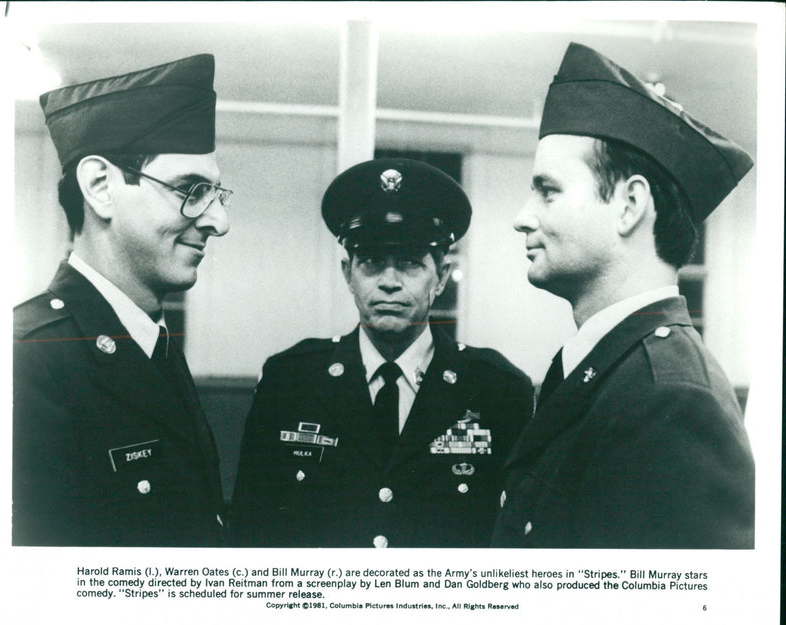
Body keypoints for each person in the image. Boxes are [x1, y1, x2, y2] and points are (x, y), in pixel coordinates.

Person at [491, 43, 755, 548]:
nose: (523, 216)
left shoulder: (670, 402)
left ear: (629, 205)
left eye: (548, 190)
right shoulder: (619, 374)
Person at [232, 158, 534, 547]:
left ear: (440, 278)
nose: (389, 282)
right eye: (373, 262)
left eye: (409, 263)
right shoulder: (290, 381)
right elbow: (250, 533)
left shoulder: (497, 390)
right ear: (348, 274)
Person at [13, 54, 232, 546]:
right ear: (100, 187)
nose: (220, 221)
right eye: (191, 189)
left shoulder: (150, 341)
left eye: (217, 194)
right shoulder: (24, 359)